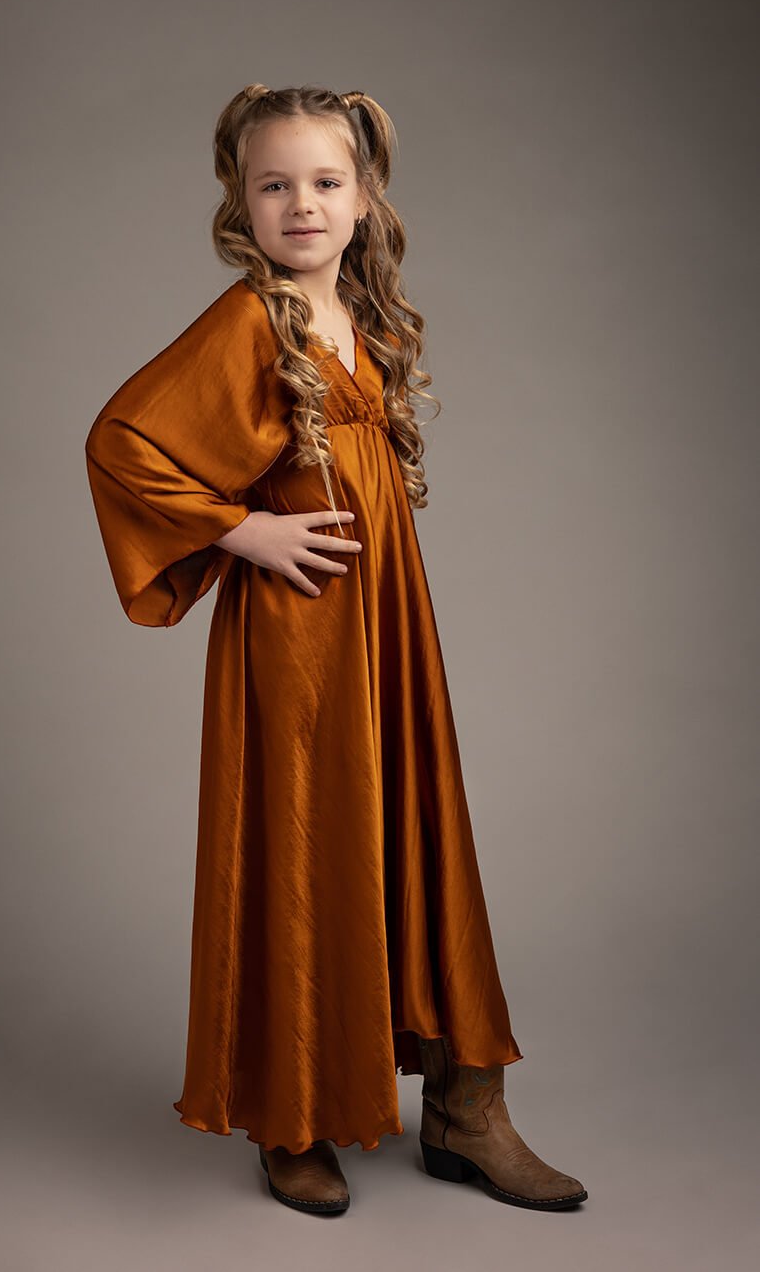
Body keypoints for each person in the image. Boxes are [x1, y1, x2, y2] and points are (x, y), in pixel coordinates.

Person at [85, 83, 587, 1217]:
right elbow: (122, 441)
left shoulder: (360, 318)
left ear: (364, 200)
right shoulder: (248, 322)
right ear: (243, 204)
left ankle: (468, 1108)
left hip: (387, 630)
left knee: (416, 833)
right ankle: (292, 1114)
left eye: (324, 182)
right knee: (307, 845)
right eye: (275, 185)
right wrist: (243, 529)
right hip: (300, 647)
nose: (301, 204)